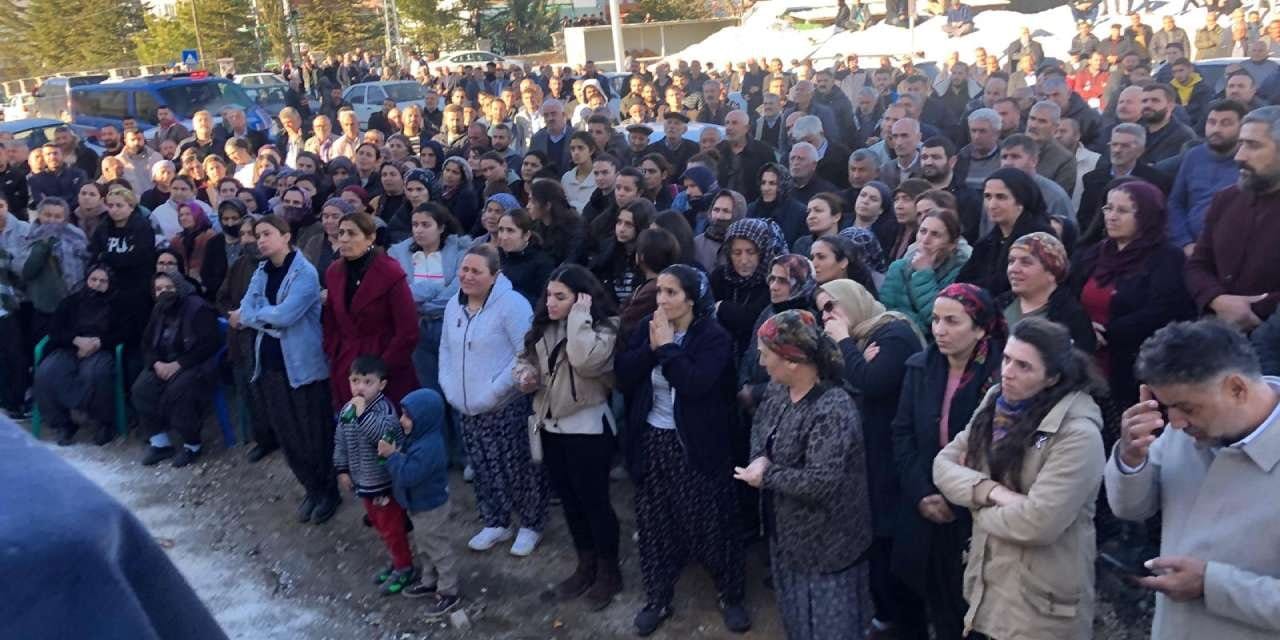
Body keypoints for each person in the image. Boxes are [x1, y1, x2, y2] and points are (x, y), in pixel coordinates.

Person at [933, 317, 1105, 640]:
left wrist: (973, 506)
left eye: (1024, 366)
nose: (1008, 372)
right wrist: (991, 492)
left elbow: (1038, 523)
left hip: (1040, 606)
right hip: (987, 588)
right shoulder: (995, 401)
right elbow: (942, 465)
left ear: (1052, 377)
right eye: (1007, 359)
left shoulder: (1078, 434)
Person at [1107, 320, 1280, 640]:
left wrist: (1211, 585)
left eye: (1186, 407)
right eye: (1167, 407)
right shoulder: (1185, 434)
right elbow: (1132, 508)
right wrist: (1131, 457)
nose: (1174, 423)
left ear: (1237, 389)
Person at [614, 264, 750, 636]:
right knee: (654, 522)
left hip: (698, 443)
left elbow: (695, 383)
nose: (661, 300)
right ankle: (657, 598)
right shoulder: (649, 327)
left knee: (712, 523)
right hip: (653, 439)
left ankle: (730, 594)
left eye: (671, 292)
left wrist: (667, 349)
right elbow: (623, 374)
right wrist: (652, 349)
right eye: (659, 291)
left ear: (691, 299)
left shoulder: (713, 336)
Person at [735, 309, 873, 639]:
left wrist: (766, 475)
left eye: (766, 354)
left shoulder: (832, 408)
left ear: (792, 361)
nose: (761, 362)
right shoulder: (778, 389)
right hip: (787, 537)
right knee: (796, 621)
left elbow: (821, 481)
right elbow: (761, 428)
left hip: (827, 546)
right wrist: (759, 459)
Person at [891, 283, 1006, 640]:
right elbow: (903, 433)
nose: (939, 330)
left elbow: (1001, 452)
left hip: (975, 511)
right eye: (936, 320)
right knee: (924, 595)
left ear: (980, 328)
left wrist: (957, 498)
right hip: (924, 501)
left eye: (952, 321)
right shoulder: (920, 367)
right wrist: (922, 493)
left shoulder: (1001, 377)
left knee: (969, 609)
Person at [815, 278, 926, 639]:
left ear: (852, 300)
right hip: (872, 450)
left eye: (831, 305)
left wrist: (845, 344)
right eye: (822, 311)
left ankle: (908, 622)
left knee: (893, 539)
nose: (827, 316)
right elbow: (842, 377)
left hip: (895, 453)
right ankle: (887, 613)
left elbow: (872, 382)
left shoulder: (893, 332)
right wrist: (853, 356)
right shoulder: (863, 337)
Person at [515, 265, 623, 610]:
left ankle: (609, 572)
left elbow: (584, 360)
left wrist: (578, 317)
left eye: (560, 297)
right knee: (570, 502)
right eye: (549, 295)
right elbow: (523, 358)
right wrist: (525, 374)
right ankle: (585, 565)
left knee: (595, 503)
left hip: (587, 429)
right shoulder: (543, 326)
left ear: (582, 299)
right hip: (550, 427)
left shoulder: (606, 328)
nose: (550, 302)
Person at [439, 244, 548, 555]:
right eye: (464, 269)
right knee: (483, 468)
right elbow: (446, 349)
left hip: (505, 406)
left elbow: (525, 354)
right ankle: (496, 521)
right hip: (467, 407)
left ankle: (530, 524)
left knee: (519, 468)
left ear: (494, 275)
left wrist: (493, 391)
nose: (467, 276)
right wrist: (449, 387)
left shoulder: (512, 306)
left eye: (476, 271)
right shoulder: (454, 305)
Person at [238, 214, 340, 525]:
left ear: (285, 236)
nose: (261, 240)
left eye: (267, 233)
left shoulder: (304, 273)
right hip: (271, 365)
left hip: (304, 366)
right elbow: (246, 309)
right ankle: (311, 488)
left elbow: (285, 316)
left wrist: (257, 316)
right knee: (288, 434)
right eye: (258, 235)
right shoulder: (261, 271)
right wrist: (260, 316)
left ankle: (328, 492)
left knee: (314, 433)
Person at [1069, 180, 1195, 413]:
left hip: (1133, 366)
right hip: (1084, 359)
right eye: (1108, 208)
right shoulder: (1093, 253)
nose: (1111, 216)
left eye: (1122, 210)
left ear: (1146, 216)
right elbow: (1068, 297)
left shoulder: (1168, 258)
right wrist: (1084, 328)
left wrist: (1106, 333)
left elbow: (1164, 311)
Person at [1185, 106, 1280, 332]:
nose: (1239, 156)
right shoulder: (1226, 199)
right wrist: (1217, 299)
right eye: (1241, 144)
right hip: (1215, 333)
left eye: (1253, 145)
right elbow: (1198, 264)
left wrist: (1256, 310)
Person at [334, 355, 416, 595]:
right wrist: (342, 469)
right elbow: (340, 441)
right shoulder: (348, 409)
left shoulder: (385, 409)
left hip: (383, 484)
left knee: (392, 527)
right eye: (355, 381)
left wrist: (362, 415)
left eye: (367, 382)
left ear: (381, 384)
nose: (360, 387)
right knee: (379, 526)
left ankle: (404, 567)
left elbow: (381, 435)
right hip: (363, 482)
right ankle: (395, 560)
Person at [321, 212, 419, 408]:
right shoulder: (334, 272)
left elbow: (407, 330)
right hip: (347, 363)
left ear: (370, 237)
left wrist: (382, 367)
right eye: (341, 233)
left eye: (352, 233)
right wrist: (334, 350)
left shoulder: (390, 272)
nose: (344, 239)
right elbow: (331, 319)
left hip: (383, 362)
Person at [378, 388, 460, 616]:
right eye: (402, 413)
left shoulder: (429, 447)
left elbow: (408, 475)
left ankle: (449, 590)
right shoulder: (418, 438)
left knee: (438, 549)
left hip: (431, 507)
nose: (401, 420)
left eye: (407, 416)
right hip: (419, 505)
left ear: (424, 419)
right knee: (425, 546)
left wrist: (392, 456)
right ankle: (430, 580)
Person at [134, 272, 221, 468]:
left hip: (194, 363)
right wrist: (156, 363)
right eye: (158, 289)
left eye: (168, 287)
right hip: (163, 363)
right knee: (142, 388)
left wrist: (178, 364)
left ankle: (192, 444)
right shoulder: (159, 309)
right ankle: (160, 443)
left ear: (179, 287)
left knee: (179, 391)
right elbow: (147, 343)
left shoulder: (198, 308)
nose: (164, 292)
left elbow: (209, 344)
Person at [31, 264, 122, 446]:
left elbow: (125, 332)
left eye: (103, 281)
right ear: (86, 280)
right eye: (93, 279)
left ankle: (103, 423)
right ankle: (62, 423)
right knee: (46, 372)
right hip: (69, 347)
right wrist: (75, 340)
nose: (97, 284)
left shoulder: (119, 305)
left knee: (95, 374)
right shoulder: (70, 302)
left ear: (110, 284)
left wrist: (98, 342)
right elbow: (55, 330)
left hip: (101, 349)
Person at [389, 203, 470, 404]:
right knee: (428, 386)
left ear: (440, 227)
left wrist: (420, 300)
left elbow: (456, 291)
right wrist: (435, 288)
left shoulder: (461, 252)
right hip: (416, 327)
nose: (418, 230)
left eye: (426, 225)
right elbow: (399, 293)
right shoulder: (398, 254)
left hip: (451, 324)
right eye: (415, 224)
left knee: (456, 388)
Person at [955, 168, 1054, 298]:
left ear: (1021, 200)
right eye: (987, 196)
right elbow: (961, 283)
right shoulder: (986, 244)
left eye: (1001, 197)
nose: (992, 205)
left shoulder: (1040, 239)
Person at [880, 207, 972, 333]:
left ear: (951, 245)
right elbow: (885, 311)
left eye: (935, 234)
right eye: (923, 231)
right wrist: (915, 325)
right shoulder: (898, 268)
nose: (925, 240)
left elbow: (938, 318)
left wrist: (923, 273)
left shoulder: (960, 274)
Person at [1000, 232, 1096, 352]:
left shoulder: (1071, 318)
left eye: (1026, 263)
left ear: (1052, 272)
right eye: (1011, 261)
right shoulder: (999, 306)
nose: (1013, 269)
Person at [88, 189, 156, 351]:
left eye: (119, 205)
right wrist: (113, 259)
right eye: (110, 205)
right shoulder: (103, 227)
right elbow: (94, 255)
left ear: (131, 207)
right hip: (108, 288)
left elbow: (140, 258)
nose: (114, 210)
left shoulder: (142, 227)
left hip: (136, 289)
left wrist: (109, 257)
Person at [712, 218, 785, 357]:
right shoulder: (720, 276)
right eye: (737, 253)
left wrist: (722, 307)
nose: (744, 260)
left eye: (751, 252)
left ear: (762, 252)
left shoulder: (773, 281)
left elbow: (754, 319)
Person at [22, 197, 88, 334]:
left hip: (71, 301)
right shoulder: (31, 236)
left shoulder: (76, 236)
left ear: (65, 218)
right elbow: (27, 272)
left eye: (57, 216)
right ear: (39, 215)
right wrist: (43, 245)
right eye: (47, 215)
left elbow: (86, 263)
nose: (52, 220)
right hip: (44, 304)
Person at [496, 207, 556, 303]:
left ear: (526, 235)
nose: (504, 236)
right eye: (501, 230)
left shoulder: (542, 264)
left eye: (510, 230)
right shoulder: (495, 256)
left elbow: (542, 301)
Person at [746, 163, 808, 247]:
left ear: (783, 185)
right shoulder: (752, 209)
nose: (766, 188)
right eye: (763, 183)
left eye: (772, 183)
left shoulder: (799, 212)